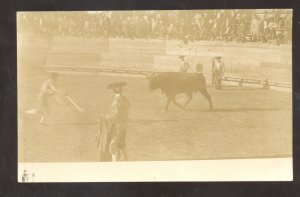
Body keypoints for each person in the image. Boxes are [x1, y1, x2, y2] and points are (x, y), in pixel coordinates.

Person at [96, 82, 130, 162]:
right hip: (124, 126)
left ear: (113, 90)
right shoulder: (124, 99)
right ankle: (127, 163)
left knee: (113, 146)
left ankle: (114, 166)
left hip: (117, 127)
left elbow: (116, 115)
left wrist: (104, 116)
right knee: (122, 145)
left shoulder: (117, 100)